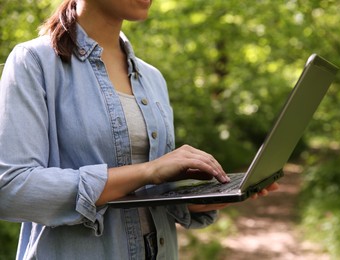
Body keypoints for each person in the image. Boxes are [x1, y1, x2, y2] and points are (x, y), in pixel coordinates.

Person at [0, 0, 278, 259]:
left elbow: (143, 200)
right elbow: (11, 190)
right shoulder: (33, 62)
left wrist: (200, 199)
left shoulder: (153, 78)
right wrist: (150, 171)